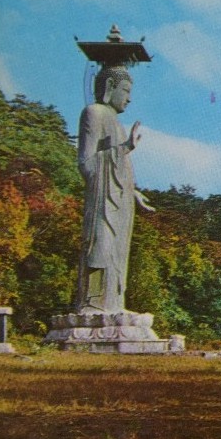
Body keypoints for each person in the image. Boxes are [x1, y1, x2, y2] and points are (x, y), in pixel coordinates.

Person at [76, 65, 154, 314]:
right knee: (100, 247)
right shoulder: (93, 113)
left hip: (119, 201)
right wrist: (125, 148)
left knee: (117, 254)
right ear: (110, 86)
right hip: (102, 202)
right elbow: (86, 165)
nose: (129, 98)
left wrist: (132, 192)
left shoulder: (117, 124)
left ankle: (113, 304)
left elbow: (120, 168)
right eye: (125, 90)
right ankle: (93, 304)